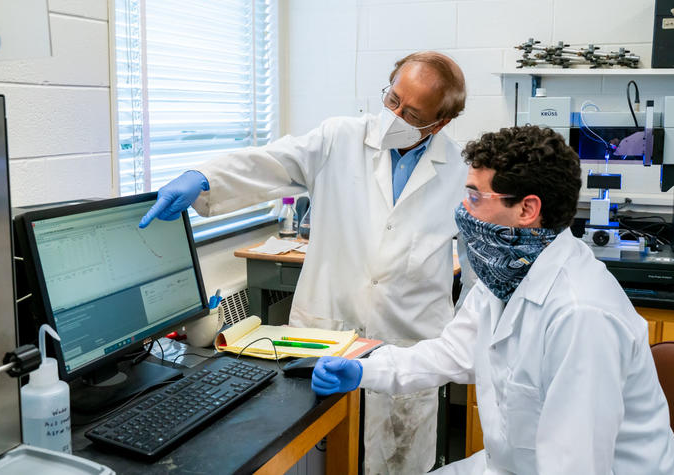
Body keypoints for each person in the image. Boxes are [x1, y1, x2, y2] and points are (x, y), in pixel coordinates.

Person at [139, 51, 469, 473]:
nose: (395, 115)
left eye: (412, 112)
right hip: (324, 337)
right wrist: (204, 178)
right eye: (392, 100)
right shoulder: (340, 139)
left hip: (404, 346)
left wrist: (459, 346)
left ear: (438, 123)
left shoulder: (461, 171)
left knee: (395, 461)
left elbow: (477, 277)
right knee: (316, 458)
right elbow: (271, 162)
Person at [311, 126, 674, 475]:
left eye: (475, 196)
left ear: (527, 210)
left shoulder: (580, 315)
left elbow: (573, 464)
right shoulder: (507, 274)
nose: (463, 209)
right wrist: (366, 370)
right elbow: (452, 353)